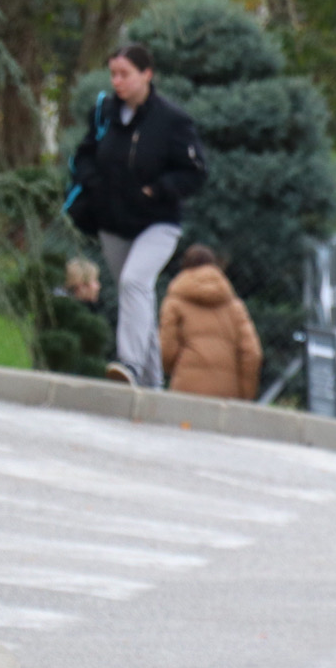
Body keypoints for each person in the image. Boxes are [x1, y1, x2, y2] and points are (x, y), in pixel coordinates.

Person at [66, 42, 207, 388]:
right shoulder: (105, 113)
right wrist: (93, 183)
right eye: (113, 74)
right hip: (114, 222)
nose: (117, 81)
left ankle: (128, 362)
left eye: (125, 74)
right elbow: (84, 155)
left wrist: (157, 190)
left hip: (158, 224)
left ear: (147, 74)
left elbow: (194, 172)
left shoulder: (172, 120)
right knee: (136, 295)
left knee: (134, 283)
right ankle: (151, 386)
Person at [159, 244, 263, 400]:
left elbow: (166, 349)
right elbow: (253, 354)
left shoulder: (174, 302)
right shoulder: (235, 307)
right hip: (228, 393)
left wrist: (173, 370)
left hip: (185, 387)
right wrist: (245, 395)